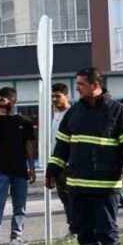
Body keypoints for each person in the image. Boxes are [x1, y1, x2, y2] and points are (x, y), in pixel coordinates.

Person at [46, 68, 123, 245]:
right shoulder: (73, 113)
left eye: (81, 84)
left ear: (95, 85)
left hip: (107, 187)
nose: (77, 87)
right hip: (78, 186)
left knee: (107, 232)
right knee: (83, 232)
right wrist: (52, 171)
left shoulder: (119, 112)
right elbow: (61, 146)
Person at [0, 86, 35, 245]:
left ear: (12, 101)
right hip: (0, 169)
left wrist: (32, 167)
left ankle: (16, 237)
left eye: (1, 100)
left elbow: (29, 145)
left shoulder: (24, 122)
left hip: (20, 169)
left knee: (20, 205)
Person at [48, 83, 74, 234]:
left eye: (58, 96)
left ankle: (78, 230)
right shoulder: (56, 115)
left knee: (73, 199)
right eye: (52, 96)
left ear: (67, 96)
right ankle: (73, 228)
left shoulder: (73, 114)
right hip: (57, 164)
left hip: (70, 164)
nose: (54, 99)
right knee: (64, 198)